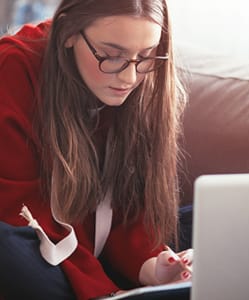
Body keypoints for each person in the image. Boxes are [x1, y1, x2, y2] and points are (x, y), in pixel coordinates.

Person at [0, 0, 192, 299]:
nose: (129, 78)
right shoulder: (14, 66)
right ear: (68, 32)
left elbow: (128, 204)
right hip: (42, 245)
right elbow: (23, 214)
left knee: (219, 220)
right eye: (111, 56)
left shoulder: (147, 81)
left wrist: (152, 265)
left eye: (145, 56)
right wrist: (107, 292)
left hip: (95, 248)